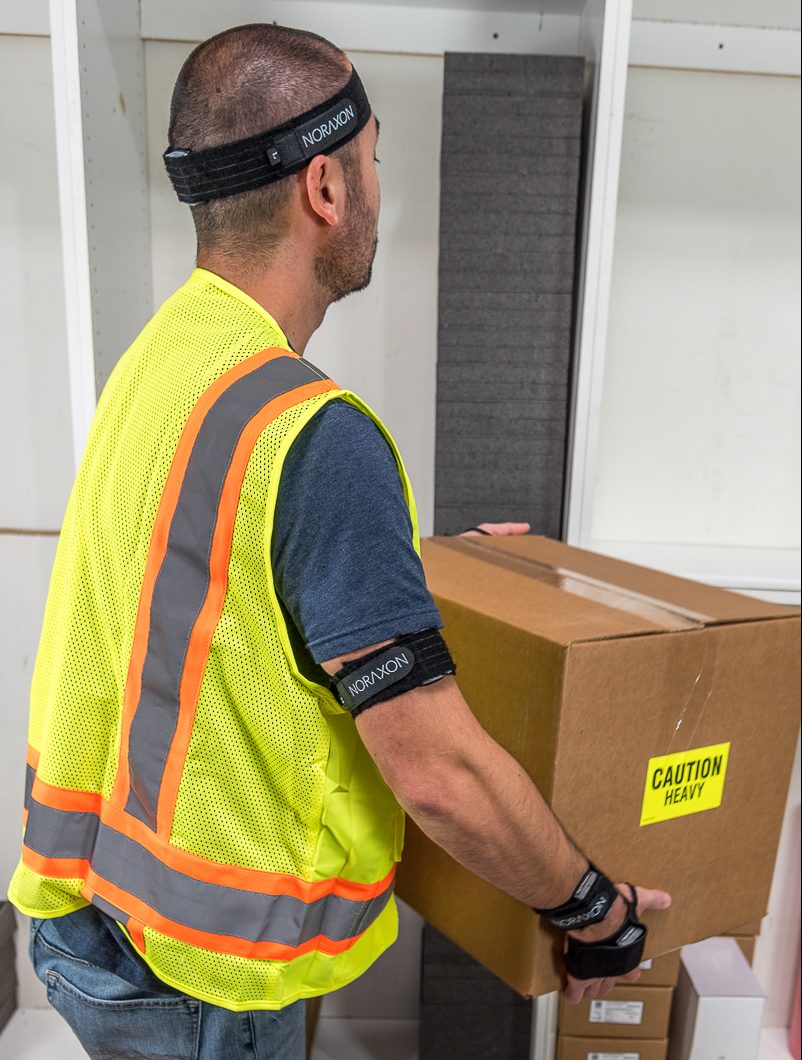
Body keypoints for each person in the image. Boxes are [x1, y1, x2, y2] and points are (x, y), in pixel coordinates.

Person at [7, 22, 671, 1060]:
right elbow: (438, 774)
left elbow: (221, 575)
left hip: (85, 919)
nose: (371, 190)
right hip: (203, 977)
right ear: (324, 186)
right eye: (370, 163)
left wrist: (403, 561)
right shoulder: (316, 436)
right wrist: (595, 910)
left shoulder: (170, 354)